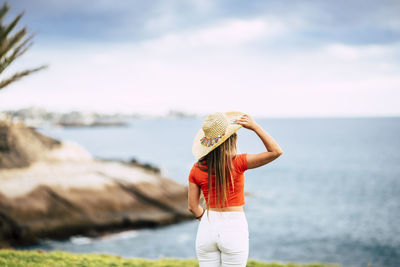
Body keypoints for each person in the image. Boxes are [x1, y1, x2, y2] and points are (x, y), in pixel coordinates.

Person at [188, 111, 283, 267]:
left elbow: (192, 207)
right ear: (231, 139)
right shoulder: (237, 162)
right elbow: (276, 151)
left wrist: (206, 221)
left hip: (207, 228)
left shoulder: (196, 168)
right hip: (233, 229)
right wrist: (255, 127)